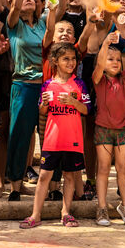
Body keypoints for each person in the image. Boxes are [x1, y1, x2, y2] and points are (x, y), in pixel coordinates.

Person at [20, 42, 88, 229]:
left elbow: (87, 109)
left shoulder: (79, 84)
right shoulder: (48, 85)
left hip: (73, 140)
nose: (71, 62)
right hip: (52, 140)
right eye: (66, 58)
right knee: (43, 176)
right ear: (55, 61)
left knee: (69, 176)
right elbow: (42, 111)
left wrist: (74, 102)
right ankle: (35, 214)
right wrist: (43, 104)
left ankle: (65, 213)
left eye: (73, 58)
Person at [5, 0, 46, 201]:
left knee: (49, 137)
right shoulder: (13, 25)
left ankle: (51, 188)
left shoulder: (43, 24)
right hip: (22, 86)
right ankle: (15, 188)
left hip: (45, 87)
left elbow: (56, 1)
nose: (28, 0)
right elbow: (14, 6)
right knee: (19, 137)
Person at [92, 41, 125, 226]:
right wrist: (106, 43)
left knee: (123, 169)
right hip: (103, 129)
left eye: (118, 59)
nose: (115, 62)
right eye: (111, 59)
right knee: (103, 168)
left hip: (123, 130)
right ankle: (101, 208)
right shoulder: (98, 79)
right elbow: (100, 65)